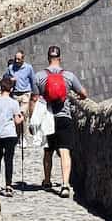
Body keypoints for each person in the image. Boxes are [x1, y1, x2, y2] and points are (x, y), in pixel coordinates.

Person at [35, 45, 87, 198]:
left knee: (48, 151)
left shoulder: (39, 76)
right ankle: (65, 185)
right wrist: (79, 98)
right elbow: (84, 93)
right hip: (64, 117)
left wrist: (33, 119)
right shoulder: (69, 76)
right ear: (60, 58)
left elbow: (35, 98)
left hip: (48, 118)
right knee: (65, 151)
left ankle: (47, 180)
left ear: (48, 58)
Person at [0, 75, 23, 196]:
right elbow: (17, 121)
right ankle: (8, 185)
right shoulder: (14, 103)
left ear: (0, 88)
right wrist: (22, 117)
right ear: (11, 89)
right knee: (9, 160)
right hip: (11, 134)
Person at [4, 49, 36, 124]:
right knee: (15, 116)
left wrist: (34, 94)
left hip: (25, 93)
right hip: (15, 94)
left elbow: (33, 80)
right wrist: (10, 79)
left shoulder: (28, 68)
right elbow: (5, 77)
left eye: (19, 59)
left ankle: (24, 133)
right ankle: (18, 134)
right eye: (16, 59)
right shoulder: (11, 68)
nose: (17, 61)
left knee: (22, 113)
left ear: (23, 59)